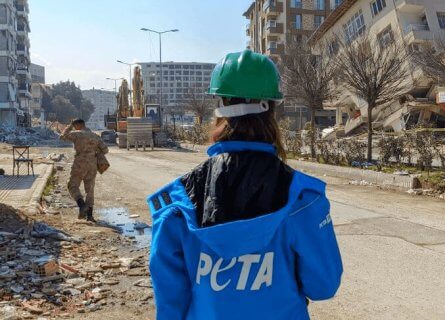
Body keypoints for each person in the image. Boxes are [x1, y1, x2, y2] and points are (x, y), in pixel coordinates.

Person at [148, 50, 343, 319]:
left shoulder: (177, 203)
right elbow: (323, 286)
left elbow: (170, 305)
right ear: (272, 109)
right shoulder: (303, 199)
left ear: (219, 108)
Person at [60, 118, 109, 221]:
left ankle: (82, 205)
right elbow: (105, 149)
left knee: (72, 185)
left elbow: (62, 136)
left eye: (74, 126)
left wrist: (69, 126)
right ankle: (90, 216)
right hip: (92, 164)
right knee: (90, 189)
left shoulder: (76, 134)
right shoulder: (95, 136)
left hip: (79, 163)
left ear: (77, 125)